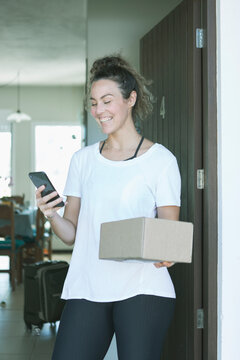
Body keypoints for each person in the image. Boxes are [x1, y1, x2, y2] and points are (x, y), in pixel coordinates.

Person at [36, 55, 181, 360]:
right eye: (93, 103)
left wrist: (167, 252)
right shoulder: (83, 159)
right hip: (87, 285)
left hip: (144, 288)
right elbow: (70, 234)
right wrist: (51, 213)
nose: (98, 110)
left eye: (107, 101)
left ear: (131, 99)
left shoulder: (161, 161)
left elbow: (170, 235)